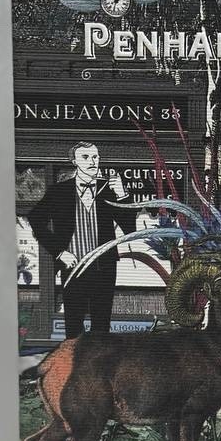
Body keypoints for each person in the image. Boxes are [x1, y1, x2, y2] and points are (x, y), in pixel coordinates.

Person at [28, 142, 136, 337]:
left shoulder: (108, 189)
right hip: (73, 269)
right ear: (74, 161)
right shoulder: (59, 192)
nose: (92, 161)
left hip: (104, 269)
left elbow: (130, 229)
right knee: (73, 327)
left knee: (101, 327)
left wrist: (122, 195)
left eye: (95, 157)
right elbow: (35, 219)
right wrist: (59, 252)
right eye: (85, 157)